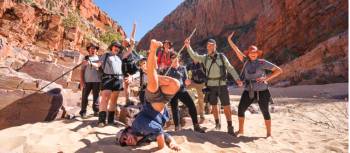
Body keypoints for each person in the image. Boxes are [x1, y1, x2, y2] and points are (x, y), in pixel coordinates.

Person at [116, 39, 181, 151]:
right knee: (176, 84)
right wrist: (172, 143)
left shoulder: (137, 126)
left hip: (152, 101)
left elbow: (159, 131)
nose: (127, 141)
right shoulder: (144, 138)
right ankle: (154, 77)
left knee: (153, 83)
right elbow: (165, 135)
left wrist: (162, 147)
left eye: (124, 137)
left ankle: (153, 49)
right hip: (161, 104)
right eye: (124, 143)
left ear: (128, 130)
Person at [227, 32, 282, 137]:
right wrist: (229, 40)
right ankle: (241, 130)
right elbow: (236, 50)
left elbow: (279, 70)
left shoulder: (262, 62)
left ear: (257, 54)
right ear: (248, 54)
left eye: (255, 52)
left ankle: (269, 133)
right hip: (249, 90)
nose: (253, 54)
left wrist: (266, 78)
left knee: (265, 111)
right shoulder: (245, 61)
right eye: (251, 52)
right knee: (241, 109)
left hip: (262, 91)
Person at [184, 38, 243, 135]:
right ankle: (217, 123)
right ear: (207, 47)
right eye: (208, 45)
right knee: (214, 106)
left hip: (222, 84)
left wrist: (237, 79)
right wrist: (188, 46)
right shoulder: (205, 58)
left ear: (215, 46)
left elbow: (230, 68)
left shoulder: (222, 57)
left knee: (226, 106)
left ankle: (229, 126)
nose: (209, 46)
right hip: (210, 85)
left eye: (211, 45)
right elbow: (194, 56)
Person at [91, 41, 129, 127]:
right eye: (115, 46)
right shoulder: (106, 55)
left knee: (114, 100)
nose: (117, 48)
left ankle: (111, 120)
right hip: (107, 78)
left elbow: (129, 51)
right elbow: (98, 65)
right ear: (111, 47)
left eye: (118, 47)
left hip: (118, 79)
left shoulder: (119, 57)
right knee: (105, 98)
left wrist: (132, 44)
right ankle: (101, 120)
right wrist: (90, 63)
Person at [167, 54, 205, 132]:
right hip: (172, 91)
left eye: (176, 57)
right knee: (175, 109)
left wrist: (187, 82)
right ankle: (177, 127)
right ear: (171, 59)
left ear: (178, 58)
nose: (174, 59)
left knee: (192, 105)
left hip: (182, 90)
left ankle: (196, 125)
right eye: (172, 58)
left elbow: (185, 80)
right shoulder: (168, 70)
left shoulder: (183, 68)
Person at [79, 44, 101, 118]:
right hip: (87, 81)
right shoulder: (85, 58)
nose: (93, 50)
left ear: (96, 50)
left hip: (97, 81)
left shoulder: (99, 58)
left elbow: (100, 67)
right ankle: (83, 112)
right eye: (91, 48)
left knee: (96, 97)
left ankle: (96, 111)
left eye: (94, 49)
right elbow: (82, 70)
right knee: (84, 97)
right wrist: (82, 81)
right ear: (89, 50)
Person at [121, 38, 140, 105]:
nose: (125, 43)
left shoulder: (131, 49)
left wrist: (135, 61)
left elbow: (138, 57)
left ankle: (130, 99)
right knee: (126, 84)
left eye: (126, 42)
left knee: (137, 75)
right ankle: (127, 100)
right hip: (125, 67)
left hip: (132, 66)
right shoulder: (121, 49)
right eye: (124, 41)